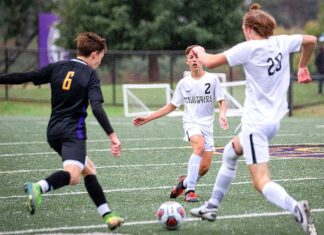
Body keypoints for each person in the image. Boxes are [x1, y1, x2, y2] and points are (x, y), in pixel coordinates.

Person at [189, 3, 317, 235]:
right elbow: (311, 40)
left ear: (249, 29)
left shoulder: (248, 49)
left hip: (255, 125)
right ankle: (211, 207)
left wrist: (198, 50)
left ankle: (296, 208)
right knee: (230, 153)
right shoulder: (282, 42)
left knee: (260, 182)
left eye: (243, 29)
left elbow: (208, 61)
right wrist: (302, 66)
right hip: (272, 123)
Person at [0, 32, 124, 231]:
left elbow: (25, 76)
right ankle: (39, 187)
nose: (101, 61)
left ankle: (108, 215)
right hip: (72, 133)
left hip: (53, 131)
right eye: (101, 56)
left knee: (88, 169)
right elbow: (97, 107)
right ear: (94, 54)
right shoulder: (90, 75)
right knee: (73, 176)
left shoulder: (58, 67)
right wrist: (113, 136)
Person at [132, 45, 228, 202]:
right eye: (191, 57)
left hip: (207, 126)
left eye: (197, 56)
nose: (194, 59)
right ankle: (190, 191)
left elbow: (222, 101)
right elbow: (171, 106)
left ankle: (182, 184)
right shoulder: (184, 83)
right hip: (191, 124)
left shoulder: (212, 79)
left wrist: (222, 114)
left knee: (204, 168)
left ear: (202, 59)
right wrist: (148, 118)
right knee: (199, 146)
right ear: (187, 62)